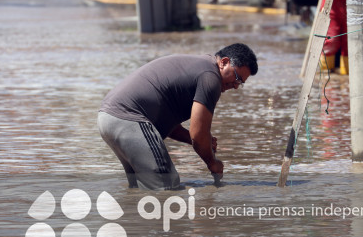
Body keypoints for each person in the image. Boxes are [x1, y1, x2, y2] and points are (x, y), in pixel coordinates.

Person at [99, 43, 257, 190]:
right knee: (167, 186)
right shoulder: (211, 78)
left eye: (240, 83)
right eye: (237, 78)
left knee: (142, 189)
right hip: (129, 118)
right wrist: (212, 162)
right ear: (224, 62)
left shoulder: (200, 67)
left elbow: (170, 124)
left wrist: (197, 140)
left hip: (108, 119)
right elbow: (199, 135)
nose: (236, 86)